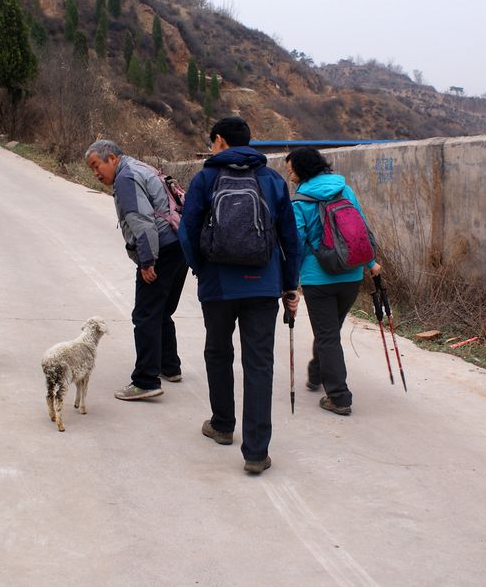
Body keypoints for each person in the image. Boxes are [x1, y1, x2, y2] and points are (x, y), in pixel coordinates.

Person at [178, 117, 301, 474]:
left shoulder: (205, 179)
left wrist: (202, 270)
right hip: (262, 285)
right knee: (259, 364)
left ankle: (221, 424)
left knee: (218, 352)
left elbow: (187, 232)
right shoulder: (272, 180)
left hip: (218, 286)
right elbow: (290, 240)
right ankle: (256, 453)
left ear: (219, 141)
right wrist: (289, 285)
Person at [85, 139, 188, 401]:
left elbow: (142, 222)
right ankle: (169, 366)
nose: (96, 173)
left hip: (161, 249)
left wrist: (147, 261)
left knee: (145, 314)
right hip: (180, 244)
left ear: (112, 159)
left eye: (97, 165)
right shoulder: (141, 167)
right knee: (162, 310)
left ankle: (145, 380)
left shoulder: (126, 178)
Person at [284, 147, 381, 416]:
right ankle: (317, 372)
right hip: (351, 275)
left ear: (302, 170)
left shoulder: (300, 202)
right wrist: (370, 262)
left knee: (327, 335)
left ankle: (338, 396)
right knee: (330, 332)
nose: (289, 173)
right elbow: (360, 230)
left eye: (291, 168)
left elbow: (298, 245)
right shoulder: (344, 190)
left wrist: (290, 283)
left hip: (319, 279)